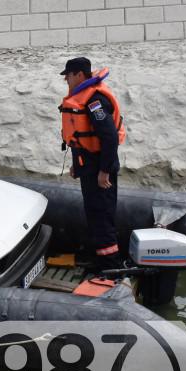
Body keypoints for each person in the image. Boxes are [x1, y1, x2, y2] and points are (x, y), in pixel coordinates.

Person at [59, 57, 126, 271]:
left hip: (100, 168)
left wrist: (105, 171)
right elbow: (81, 138)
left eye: (68, 76)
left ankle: (111, 267)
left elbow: (109, 138)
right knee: (94, 213)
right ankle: (100, 261)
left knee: (102, 215)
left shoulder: (94, 101)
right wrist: (76, 166)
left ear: (79, 75)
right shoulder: (83, 98)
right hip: (88, 166)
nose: (66, 81)